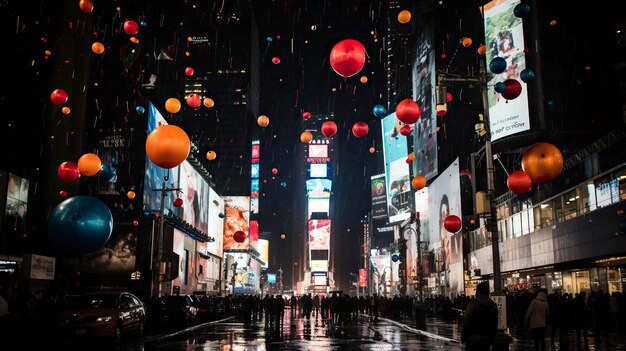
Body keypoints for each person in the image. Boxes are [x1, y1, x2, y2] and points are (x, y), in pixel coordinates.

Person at [461, 282, 498, 351]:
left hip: (473, 339)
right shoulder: (493, 305)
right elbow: (495, 323)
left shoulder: (473, 303)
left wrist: (463, 336)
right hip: (487, 339)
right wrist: (492, 338)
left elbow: (466, 321)